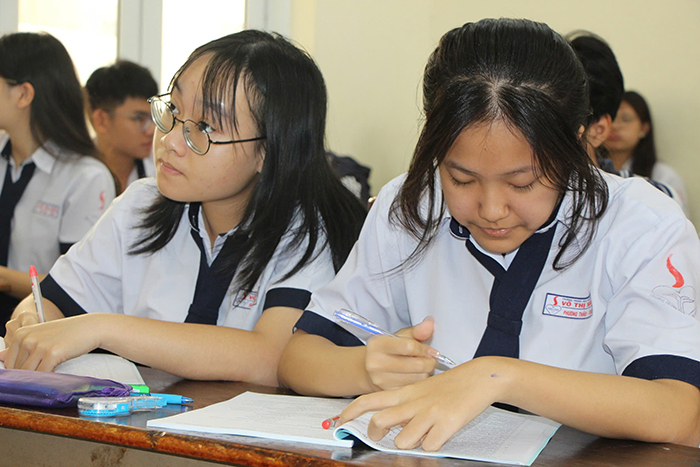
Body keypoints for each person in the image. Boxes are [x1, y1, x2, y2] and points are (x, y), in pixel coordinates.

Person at [278, 19, 700, 450]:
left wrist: (498, 377)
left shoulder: (640, 224)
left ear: (576, 145)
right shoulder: (412, 204)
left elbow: (681, 412)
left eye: (522, 183)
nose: (492, 210)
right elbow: (298, 358)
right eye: (461, 179)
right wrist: (364, 368)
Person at [1, 30, 366, 386]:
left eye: (205, 126)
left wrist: (102, 328)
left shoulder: (302, 230)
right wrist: (31, 321)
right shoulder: (140, 205)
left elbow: (271, 357)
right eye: (173, 110)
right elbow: (50, 301)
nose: (170, 139)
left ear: (268, 151)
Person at [0, 32, 116, 332]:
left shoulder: (85, 177)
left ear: (24, 94)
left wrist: (4, 278)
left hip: (38, 333)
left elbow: (81, 286)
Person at [607, 90, 689, 213]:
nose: (615, 126)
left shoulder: (664, 176)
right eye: (611, 118)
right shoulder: (592, 170)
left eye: (626, 119)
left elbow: (679, 220)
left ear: (644, 128)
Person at [85, 60, 159, 193]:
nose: (151, 130)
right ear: (102, 120)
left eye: (153, 118)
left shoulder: (160, 172)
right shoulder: (75, 175)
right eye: (139, 118)